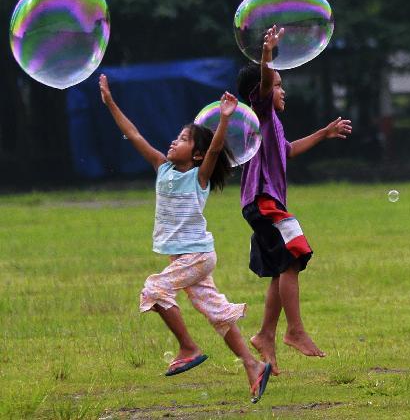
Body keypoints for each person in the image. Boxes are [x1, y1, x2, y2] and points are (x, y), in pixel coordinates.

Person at [99, 74, 271, 403]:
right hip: (184, 259)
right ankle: (253, 366)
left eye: (182, 139)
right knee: (218, 314)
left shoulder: (199, 177)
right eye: (176, 137)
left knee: (154, 288)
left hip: (197, 255)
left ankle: (189, 347)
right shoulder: (162, 168)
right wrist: (110, 103)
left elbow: (217, 147)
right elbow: (132, 133)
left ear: (196, 155)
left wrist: (223, 118)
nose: (173, 142)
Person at [236, 25, 352, 374]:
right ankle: (295, 331)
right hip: (264, 200)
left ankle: (266, 335)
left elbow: (287, 151)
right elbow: (264, 85)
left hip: (264, 203)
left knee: (280, 268)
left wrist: (324, 133)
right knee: (296, 253)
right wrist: (266, 56)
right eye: (277, 85)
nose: (282, 91)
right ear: (262, 91)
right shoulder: (261, 114)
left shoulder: (273, 126)